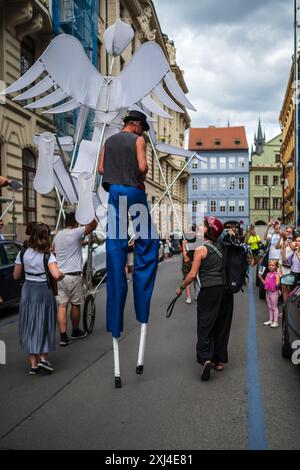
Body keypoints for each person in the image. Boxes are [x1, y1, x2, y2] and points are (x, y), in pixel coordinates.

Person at [98, 110, 159, 340]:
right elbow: (143, 168)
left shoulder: (109, 141)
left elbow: (101, 170)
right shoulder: (138, 140)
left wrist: (117, 171)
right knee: (147, 241)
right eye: (142, 127)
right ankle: (141, 304)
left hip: (114, 193)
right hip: (134, 192)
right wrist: (136, 172)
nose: (142, 131)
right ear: (136, 125)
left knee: (116, 246)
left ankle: (115, 320)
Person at [176, 216, 233, 381]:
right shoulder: (223, 246)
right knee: (221, 326)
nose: (200, 228)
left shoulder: (202, 250)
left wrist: (180, 288)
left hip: (208, 291)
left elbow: (192, 275)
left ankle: (206, 358)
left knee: (205, 326)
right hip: (225, 292)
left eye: (203, 226)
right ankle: (219, 361)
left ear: (209, 231)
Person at [13, 223, 64, 374]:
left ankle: (33, 366)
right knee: (44, 323)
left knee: (30, 324)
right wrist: (62, 274)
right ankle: (43, 359)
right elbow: (56, 275)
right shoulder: (48, 256)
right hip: (43, 292)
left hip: (28, 291)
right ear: (45, 237)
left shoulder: (22, 254)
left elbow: (16, 275)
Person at [53, 212, 97, 346]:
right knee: (75, 305)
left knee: (62, 306)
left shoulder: (58, 235)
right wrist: (90, 212)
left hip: (59, 275)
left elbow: (55, 249)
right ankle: (76, 331)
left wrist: (81, 243)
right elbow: (93, 225)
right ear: (76, 222)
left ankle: (63, 336)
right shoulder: (76, 232)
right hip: (73, 276)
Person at [259, 259, 280, 328]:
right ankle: (271, 320)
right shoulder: (268, 274)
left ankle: (275, 322)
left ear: (276, 267)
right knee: (269, 307)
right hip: (267, 293)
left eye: (272, 265)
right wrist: (261, 278)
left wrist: (278, 279)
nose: (270, 267)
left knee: (274, 307)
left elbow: (277, 284)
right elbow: (265, 283)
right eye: (269, 265)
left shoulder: (276, 275)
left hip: (274, 293)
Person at [276, 226, 295, 302]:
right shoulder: (283, 242)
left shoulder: (294, 242)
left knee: (288, 289)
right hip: (281, 267)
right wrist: (280, 236)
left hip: (288, 268)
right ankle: (285, 307)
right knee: (283, 289)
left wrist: (289, 242)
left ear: (293, 234)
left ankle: (288, 307)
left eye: (290, 231)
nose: (288, 233)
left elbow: (293, 248)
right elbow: (277, 246)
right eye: (287, 231)